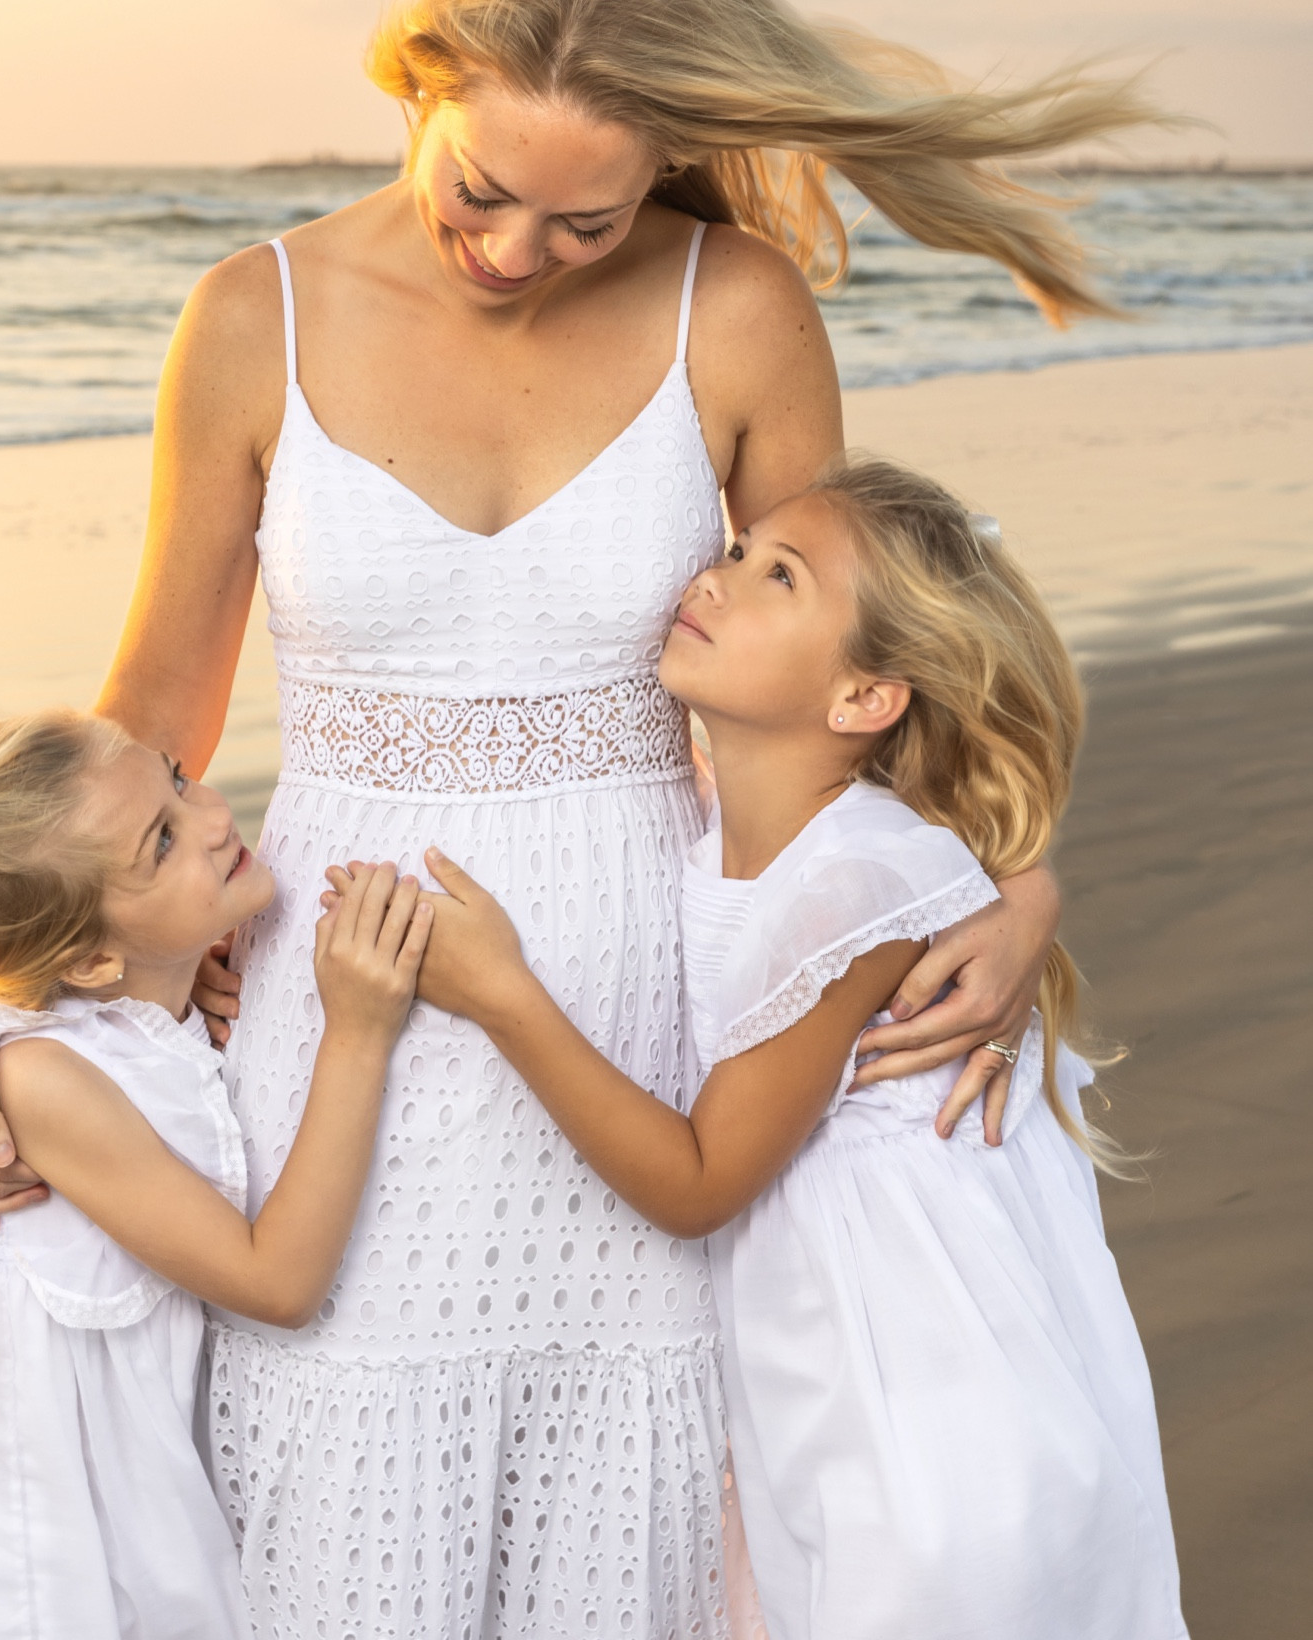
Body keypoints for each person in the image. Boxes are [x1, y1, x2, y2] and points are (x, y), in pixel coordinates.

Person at [0, 0, 1150, 1634]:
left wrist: (1014, 892)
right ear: (418, 83)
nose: (512, 251)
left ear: (664, 172)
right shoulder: (251, 315)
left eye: (586, 218)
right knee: (332, 1527)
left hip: (645, 1018)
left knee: (632, 1536)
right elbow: (142, 733)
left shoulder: (739, 311)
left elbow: (856, 664)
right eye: (479, 190)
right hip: (336, 1014)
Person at [401, 455, 1187, 1640]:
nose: (714, 576)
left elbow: (701, 1179)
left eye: (778, 575)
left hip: (928, 1398)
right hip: (850, 1364)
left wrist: (502, 992)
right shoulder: (734, 817)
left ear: (865, 698)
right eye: (734, 549)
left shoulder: (851, 886)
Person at [0, 710, 430, 1640]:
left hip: (117, 1458)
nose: (212, 816)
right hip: (38, 1507)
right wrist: (358, 1031)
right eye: (162, 842)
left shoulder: (133, 1003)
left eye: (175, 778)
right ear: (91, 958)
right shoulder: (41, 1081)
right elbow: (277, 1282)